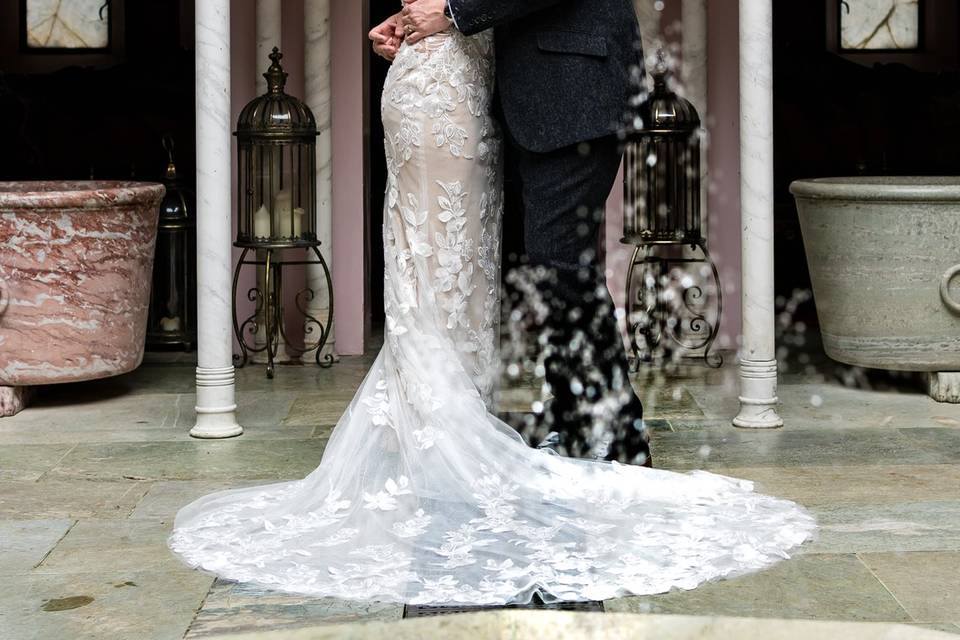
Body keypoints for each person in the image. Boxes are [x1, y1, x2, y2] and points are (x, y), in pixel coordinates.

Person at [168, 1, 815, 605]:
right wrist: (430, 22)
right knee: (556, 269)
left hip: (575, 79)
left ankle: (616, 442)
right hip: (535, 87)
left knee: (563, 271)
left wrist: (453, 12)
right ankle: (592, 426)